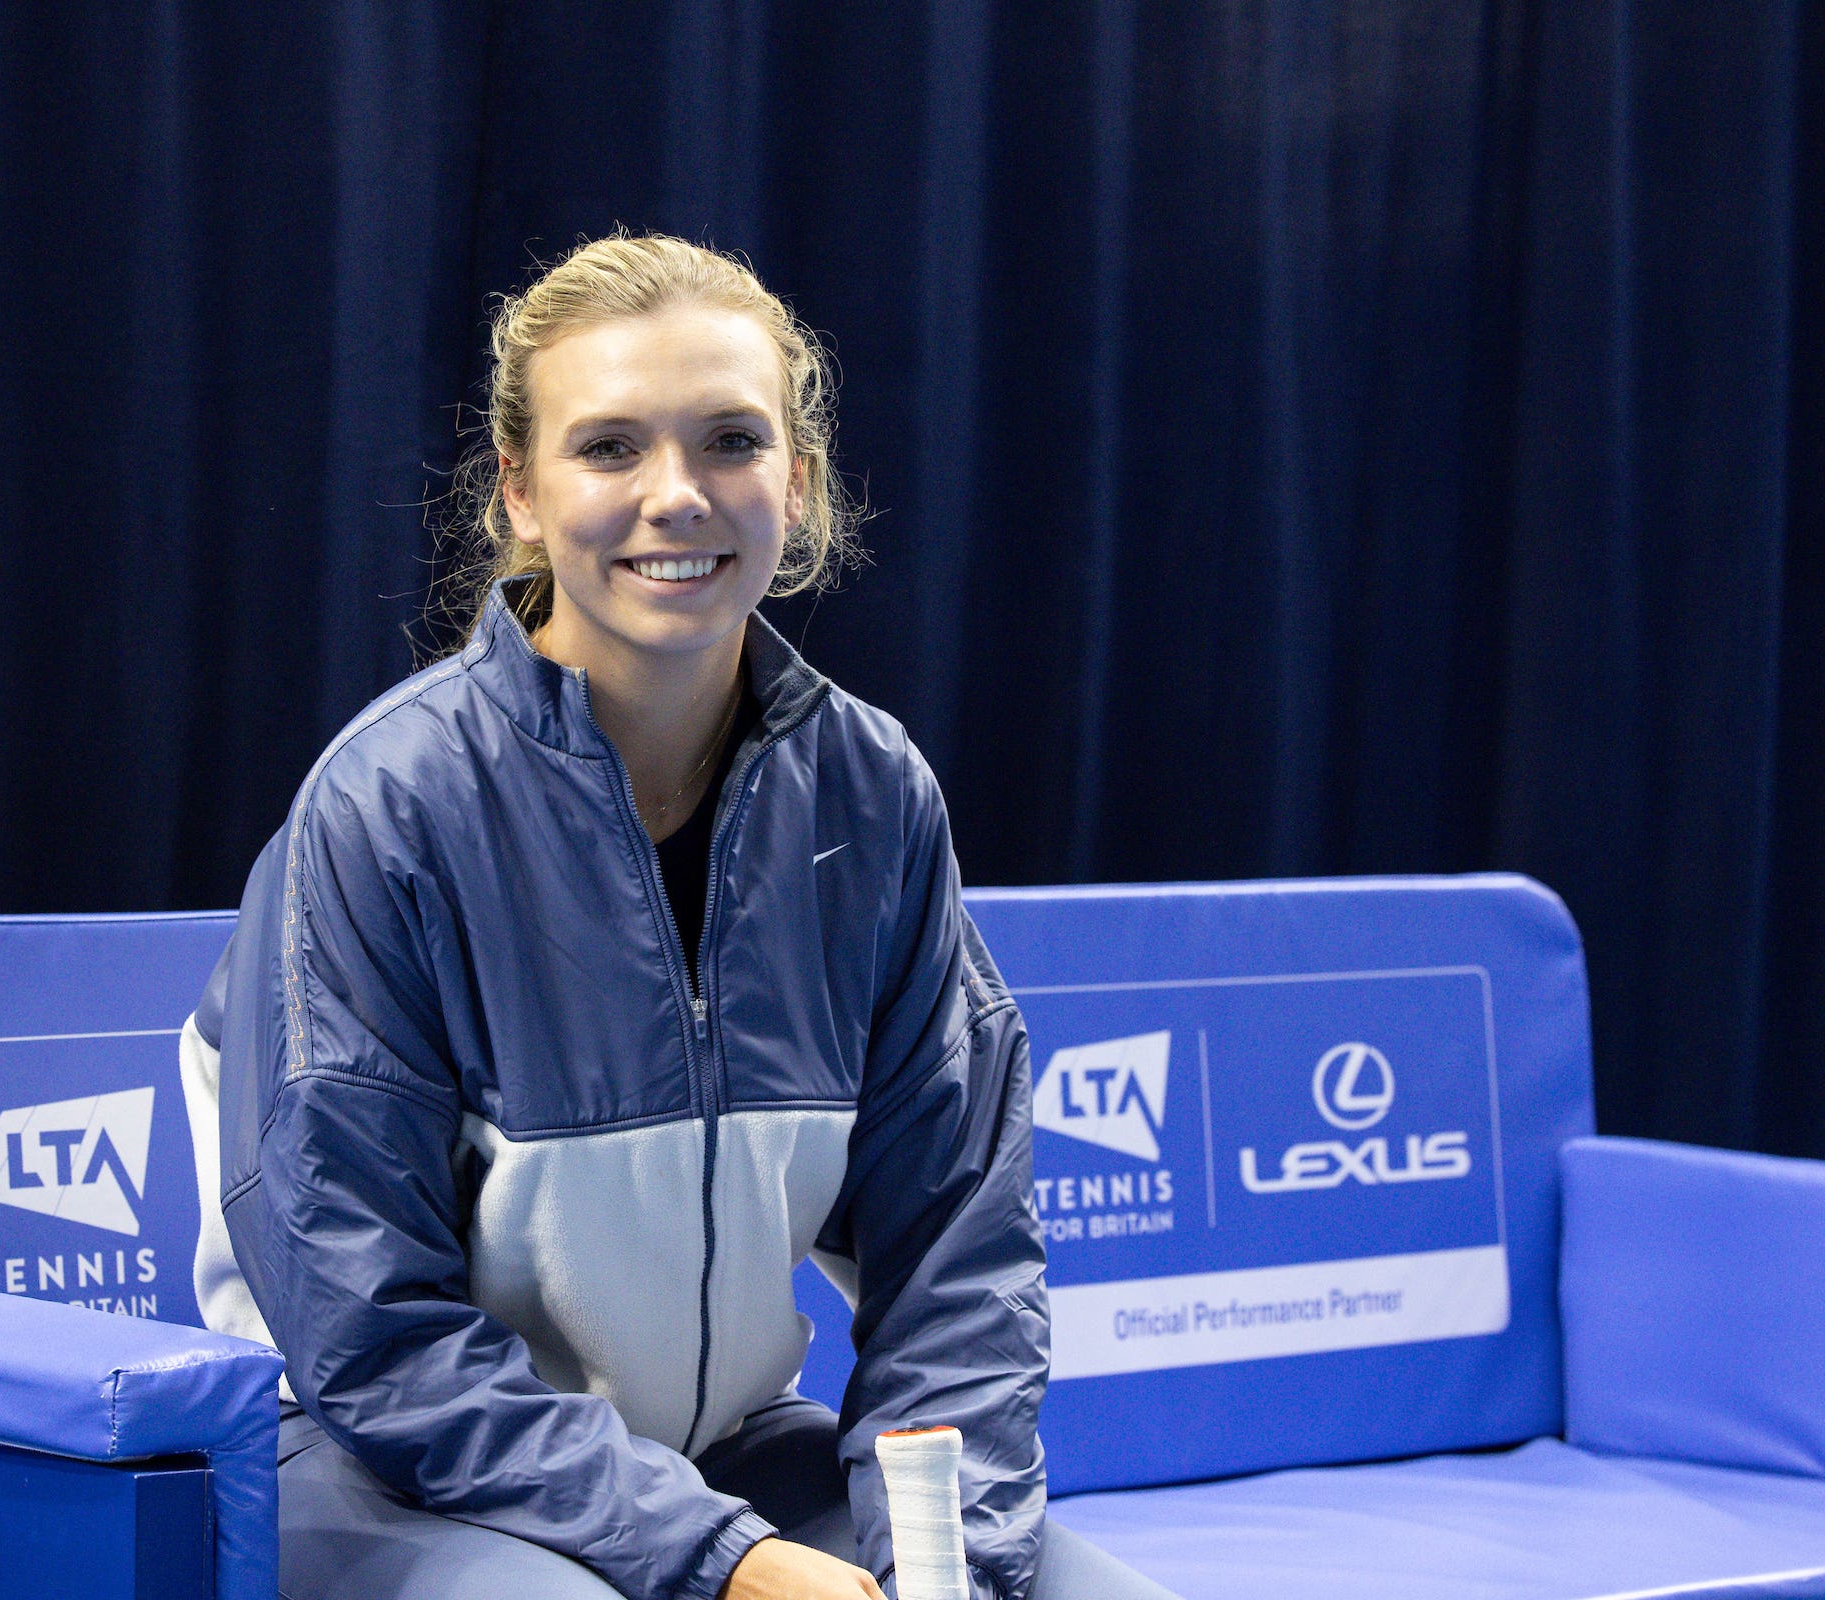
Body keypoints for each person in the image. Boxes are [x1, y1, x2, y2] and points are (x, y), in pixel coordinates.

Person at [182, 234, 1180, 1600]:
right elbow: (369, 1338)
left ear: (799, 483)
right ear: (521, 495)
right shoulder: (384, 812)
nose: (676, 497)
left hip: (725, 1456)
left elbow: (957, 1250)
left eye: (728, 440)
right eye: (608, 449)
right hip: (380, 1471)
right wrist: (726, 1566)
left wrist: (950, 1560)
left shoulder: (873, 797)